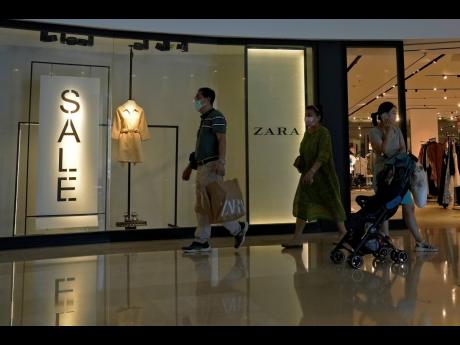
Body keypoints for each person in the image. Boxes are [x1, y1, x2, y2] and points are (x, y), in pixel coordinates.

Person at [182, 87, 248, 253]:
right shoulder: (205, 119)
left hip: (211, 167)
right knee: (204, 205)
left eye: (198, 97)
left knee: (211, 205)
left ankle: (212, 237)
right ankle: (210, 237)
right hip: (203, 166)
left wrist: (222, 162)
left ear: (208, 99)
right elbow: (201, 149)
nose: (195, 99)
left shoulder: (216, 116)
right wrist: (190, 167)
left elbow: (222, 140)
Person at [369, 101, 437, 252]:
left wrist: (394, 153)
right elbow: (384, 151)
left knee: (409, 206)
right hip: (384, 176)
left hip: (399, 175)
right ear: (384, 115)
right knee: (385, 209)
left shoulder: (397, 130)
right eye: (393, 113)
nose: (395, 116)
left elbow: (403, 149)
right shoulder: (374, 132)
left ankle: (419, 241)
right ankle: (385, 240)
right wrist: (386, 133)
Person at [282, 105, 347, 248]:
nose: (307, 118)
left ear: (318, 118)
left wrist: (312, 171)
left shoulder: (324, 133)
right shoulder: (308, 133)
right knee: (303, 203)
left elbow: (323, 155)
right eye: (306, 115)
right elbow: (305, 152)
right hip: (309, 178)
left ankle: (343, 232)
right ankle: (297, 238)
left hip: (323, 177)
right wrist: (300, 161)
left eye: (310, 115)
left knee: (332, 202)